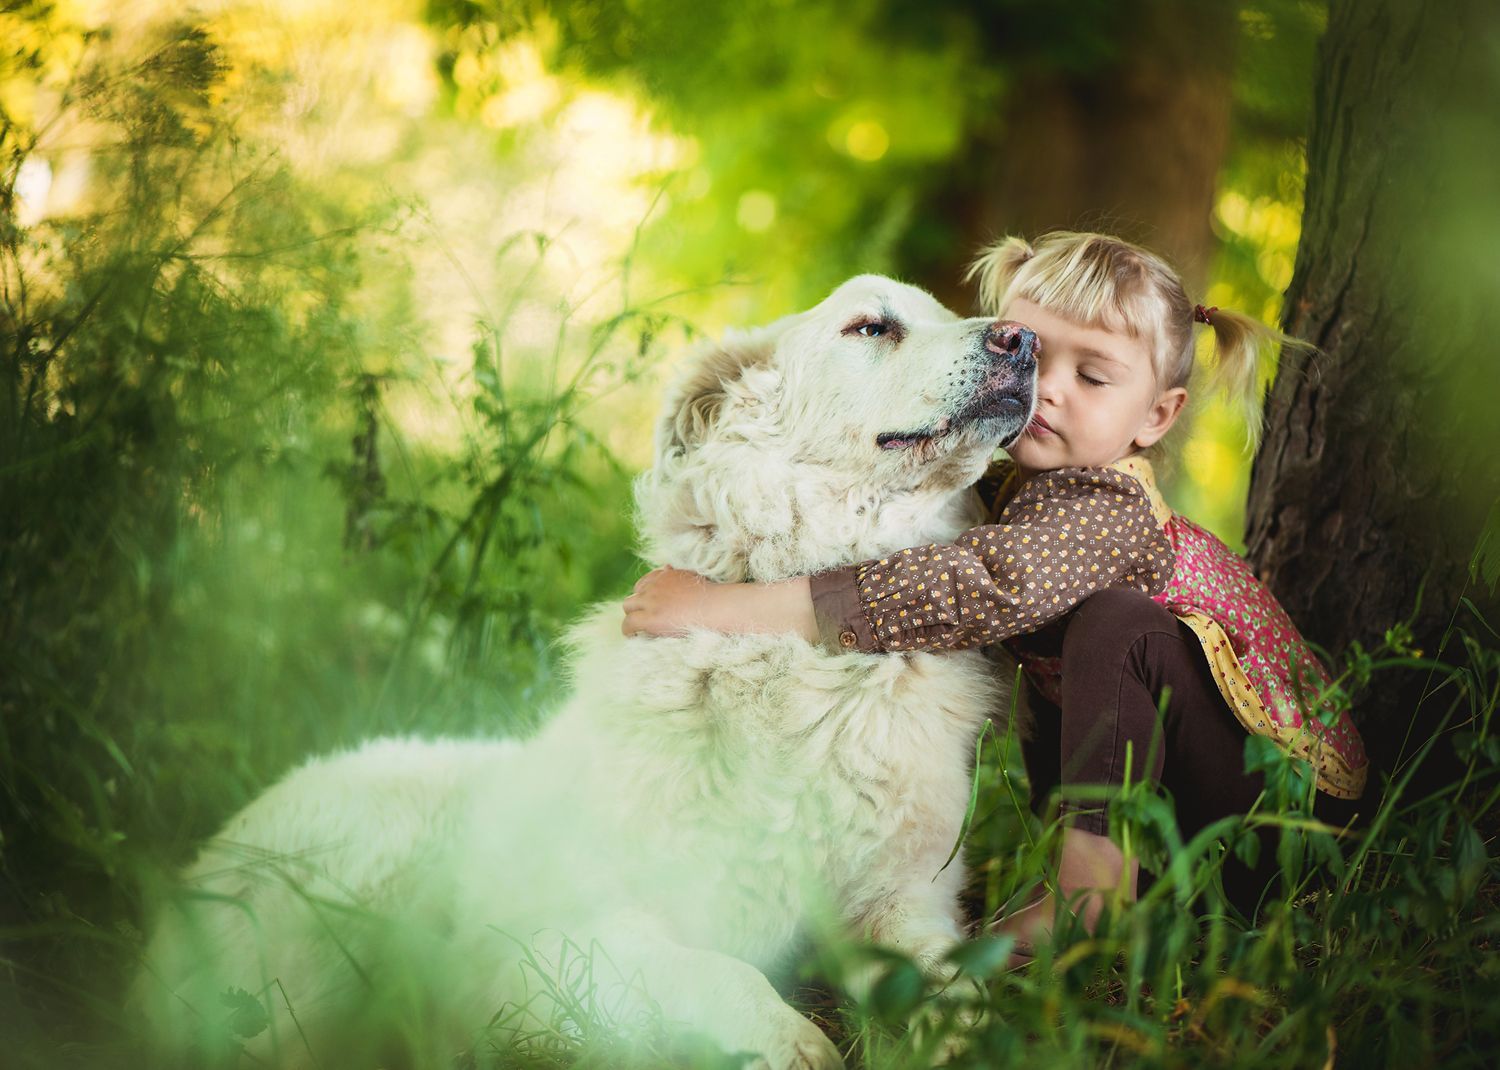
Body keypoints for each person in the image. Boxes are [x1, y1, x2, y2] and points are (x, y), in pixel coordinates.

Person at [621, 230, 1367, 957]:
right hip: (1193, 818)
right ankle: (1115, 879)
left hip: (1287, 812)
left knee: (1118, 627)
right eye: (1032, 352)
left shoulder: (1105, 511)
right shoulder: (1017, 488)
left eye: (1094, 377)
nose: (1048, 390)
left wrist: (728, 606)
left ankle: (1088, 897)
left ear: (1157, 417)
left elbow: (970, 588)